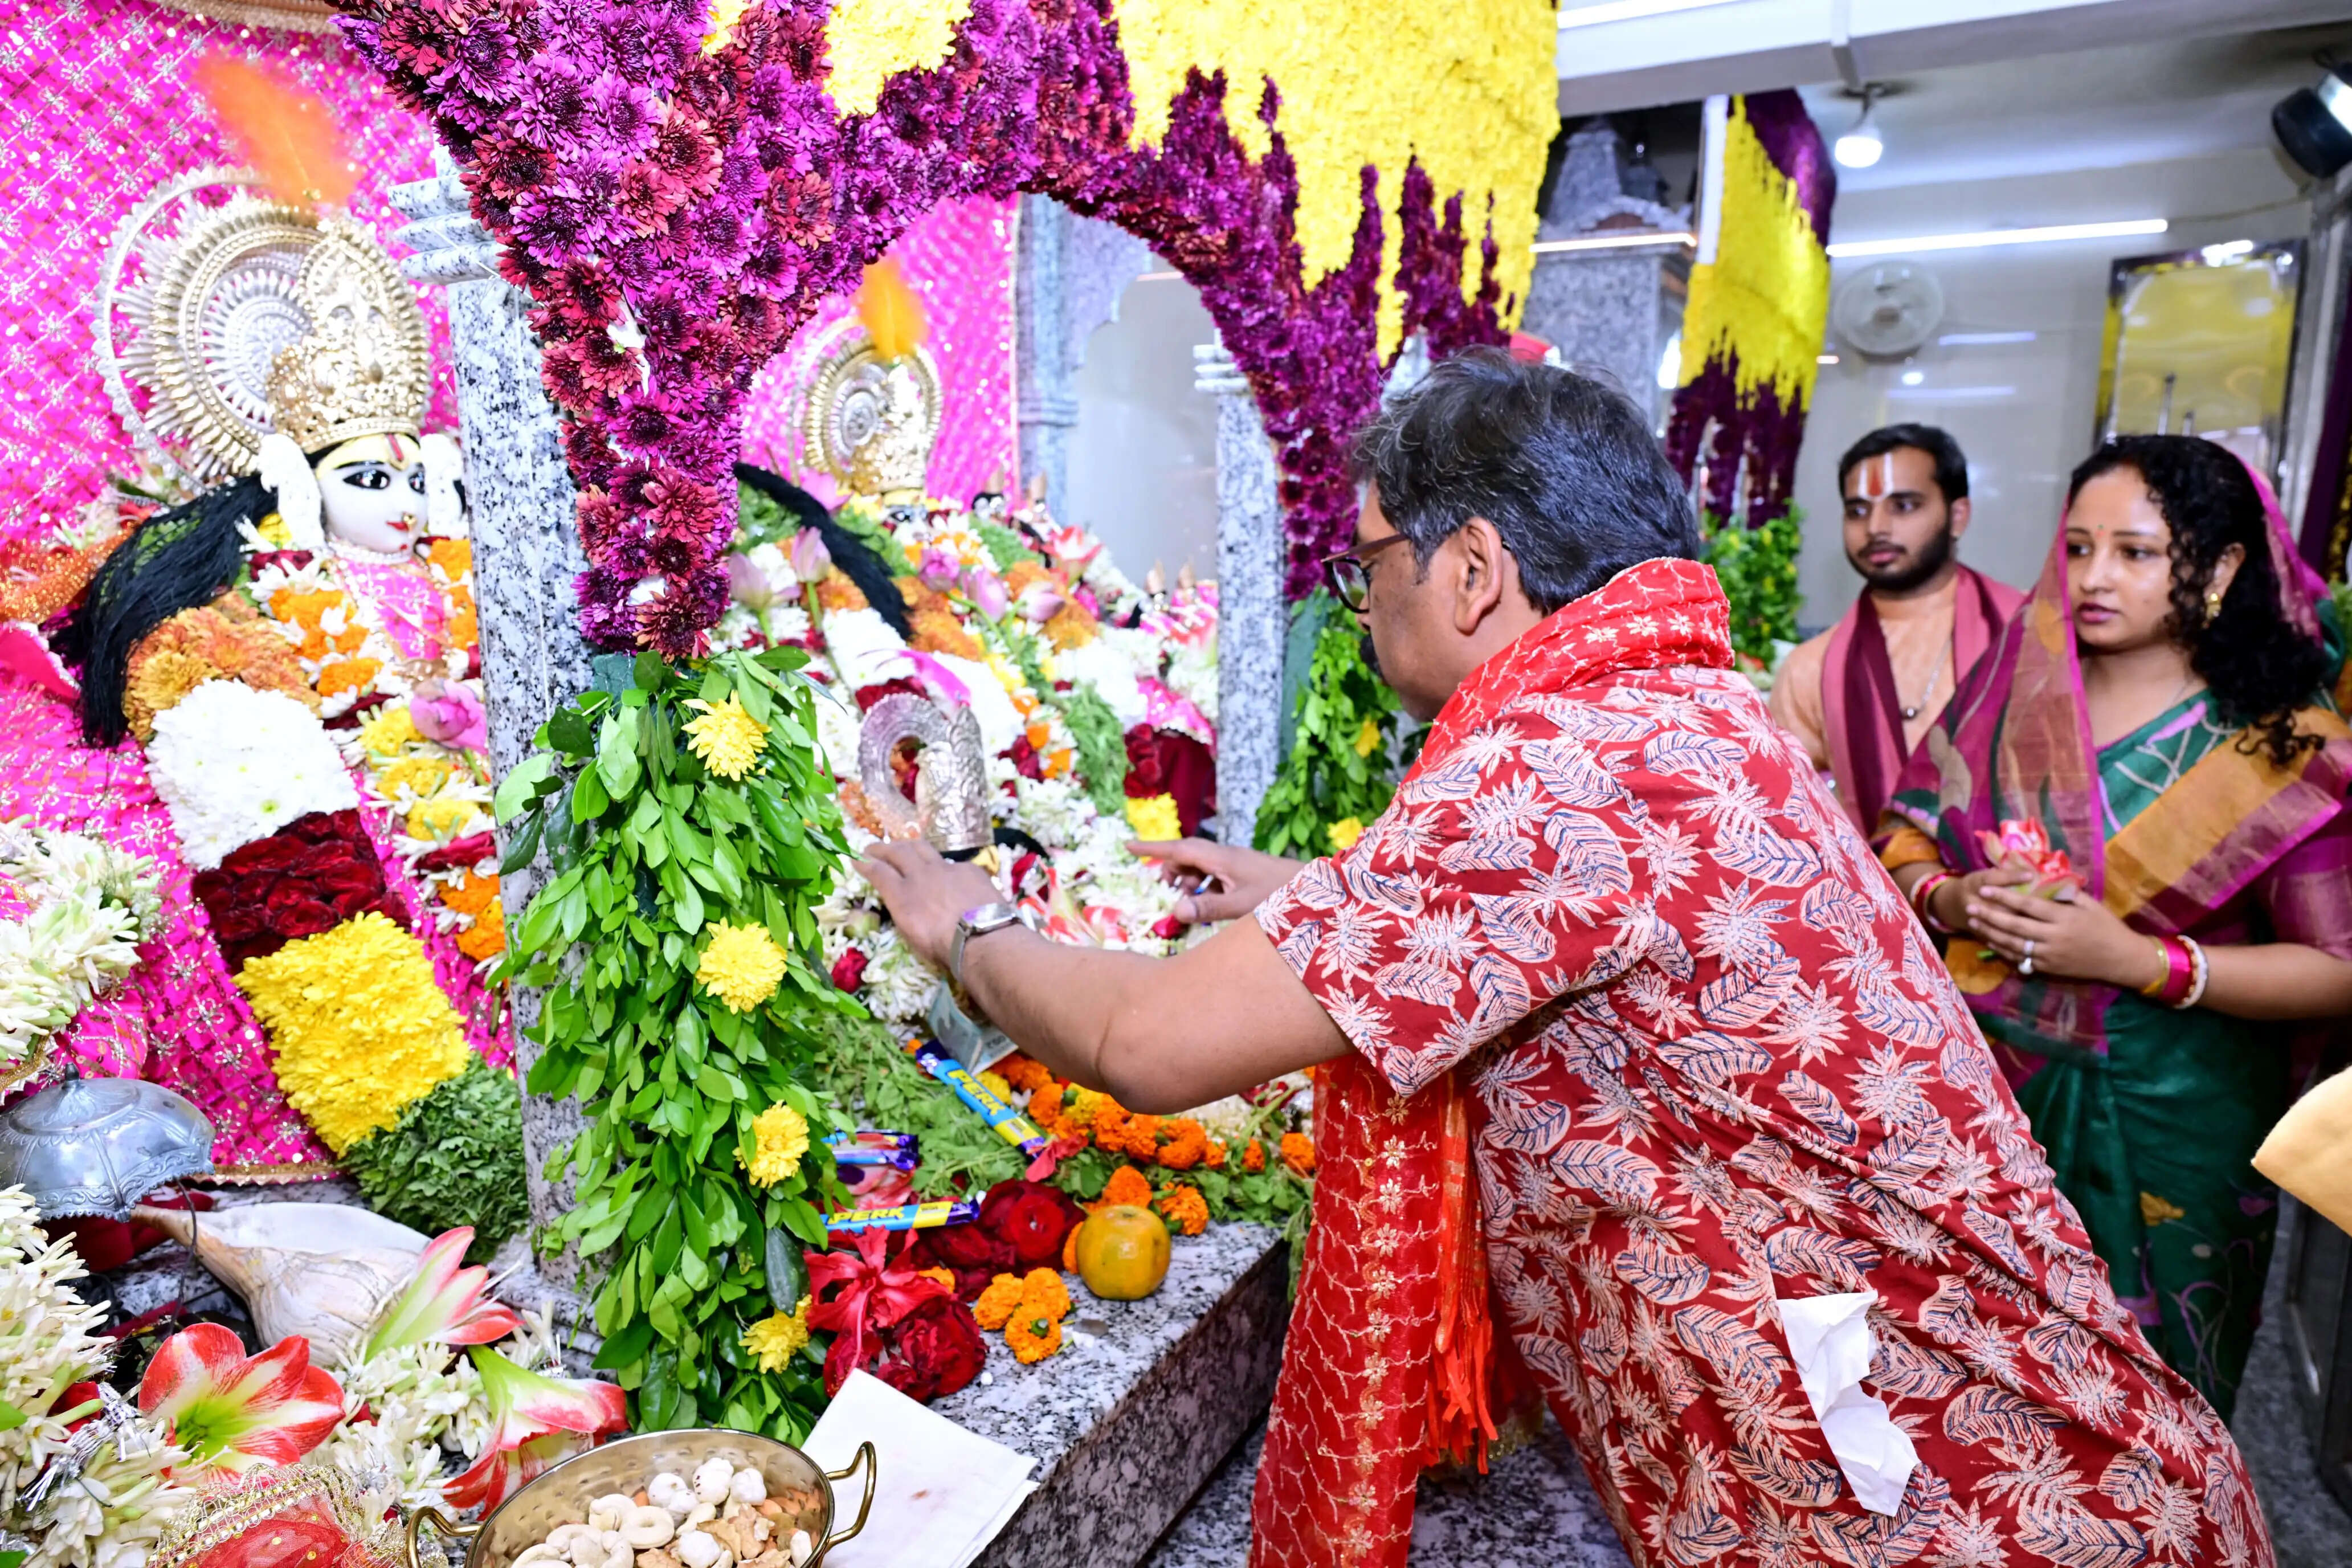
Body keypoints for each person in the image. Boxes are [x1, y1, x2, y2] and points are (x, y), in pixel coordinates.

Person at [858, 353, 2272, 1568]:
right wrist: (1298, 895)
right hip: (2014, 1447)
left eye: (1369, 566)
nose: (1363, 605)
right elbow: (1600, 921)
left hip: (1965, 1498)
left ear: (1472, 569)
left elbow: (1146, 1044)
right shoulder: (1672, 703)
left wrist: (968, 924)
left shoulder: (1556, 762)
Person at [1879, 433, 2352, 1419]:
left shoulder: (2283, 745)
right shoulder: (2012, 695)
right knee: (1965, 1381)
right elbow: (1901, 833)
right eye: (2079, 547)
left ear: (2220, 568)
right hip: (1985, 1093)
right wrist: (1953, 901)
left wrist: (2140, 960)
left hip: (2174, 1109)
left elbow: (2337, 965)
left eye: (2135, 552)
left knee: (2151, 1400)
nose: (2094, 577)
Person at [1770, 424, 2023, 834]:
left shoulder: (2027, 630)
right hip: (1870, 875)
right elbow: (1788, 817)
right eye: (1857, 511)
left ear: (1958, 516)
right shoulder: (1811, 668)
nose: (1876, 528)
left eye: (1903, 506)